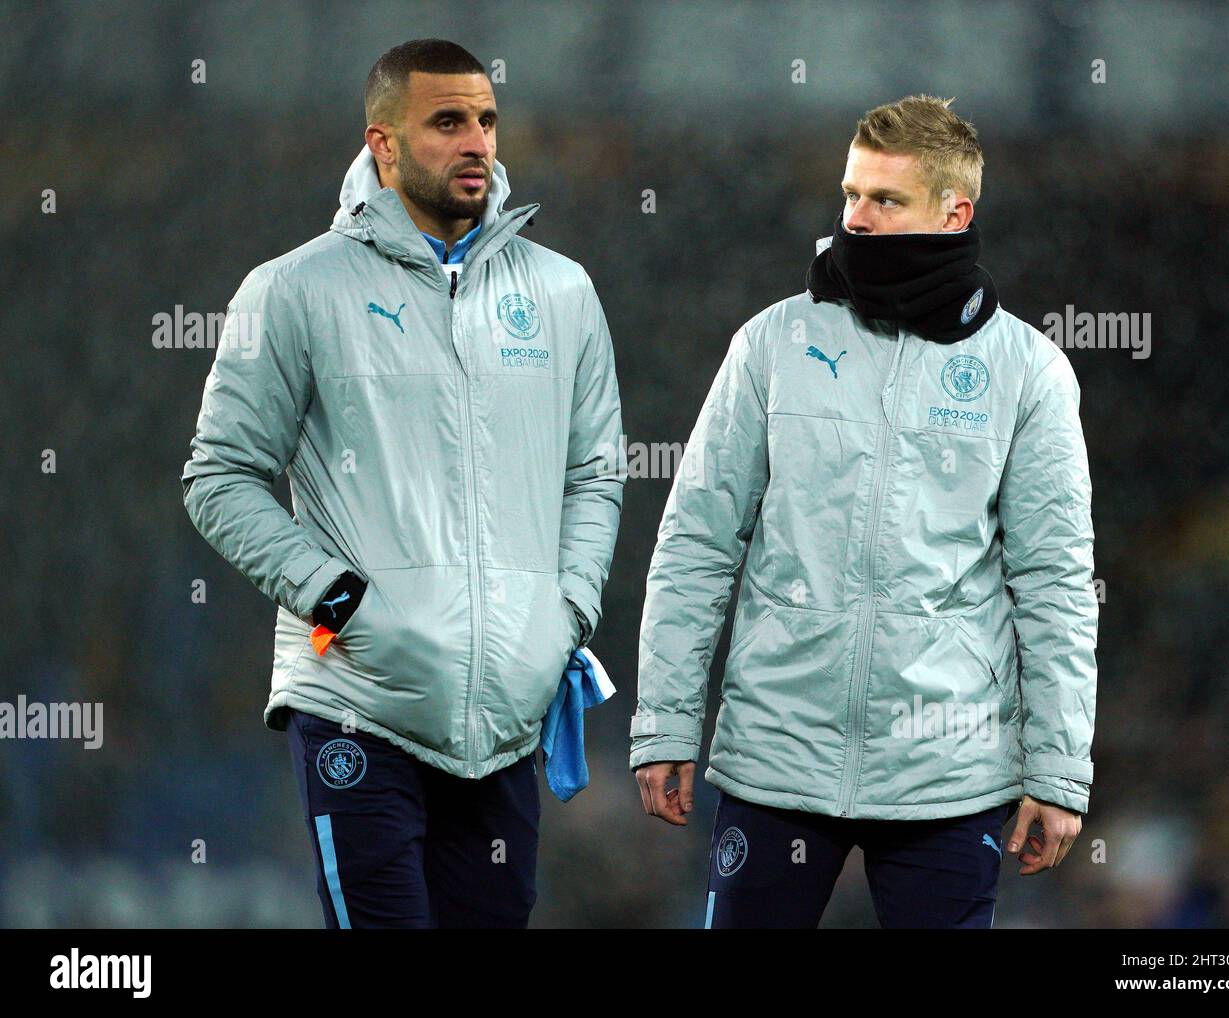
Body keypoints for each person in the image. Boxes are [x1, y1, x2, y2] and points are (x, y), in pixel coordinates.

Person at [182, 38, 625, 928]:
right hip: (359, 706)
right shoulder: (295, 290)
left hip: (504, 723)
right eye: (447, 122)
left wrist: (563, 613)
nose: (478, 143)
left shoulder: (562, 292)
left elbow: (597, 474)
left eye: (488, 122)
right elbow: (219, 476)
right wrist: (333, 596)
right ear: (382, 143)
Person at [631, 95, 1097, 928]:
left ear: (955, 212)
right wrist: (665, 722)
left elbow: (1056, 585)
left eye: (885, 199)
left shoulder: (1028, 371)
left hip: (949, 773)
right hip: (779, 758)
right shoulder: (771, 345)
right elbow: (696, 542)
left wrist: (1057, 772)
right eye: (850, 195)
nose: (857, 217)